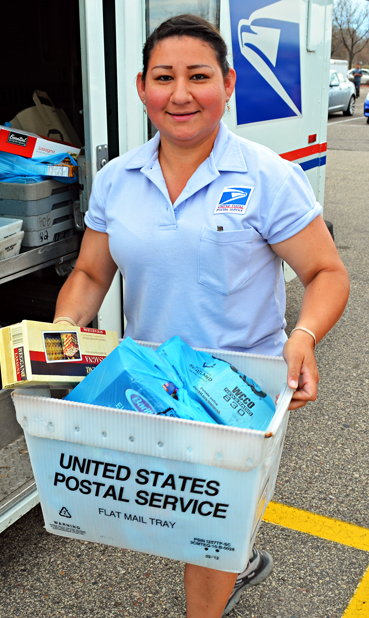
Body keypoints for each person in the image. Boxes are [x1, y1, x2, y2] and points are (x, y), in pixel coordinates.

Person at [54, 14, 349, 618]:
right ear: (141, 88)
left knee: (202, 528)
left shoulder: (269, 177)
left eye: (198, 76)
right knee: (166, 510)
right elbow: (90, 274)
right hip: (153, 385)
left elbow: (326, 273)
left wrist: (305, 335)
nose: (180, 94)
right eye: (164, 77)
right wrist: (59, 339)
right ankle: (236, 556)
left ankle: (218, 580)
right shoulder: (117, 180)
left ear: (229, 83)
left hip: (238, 390)